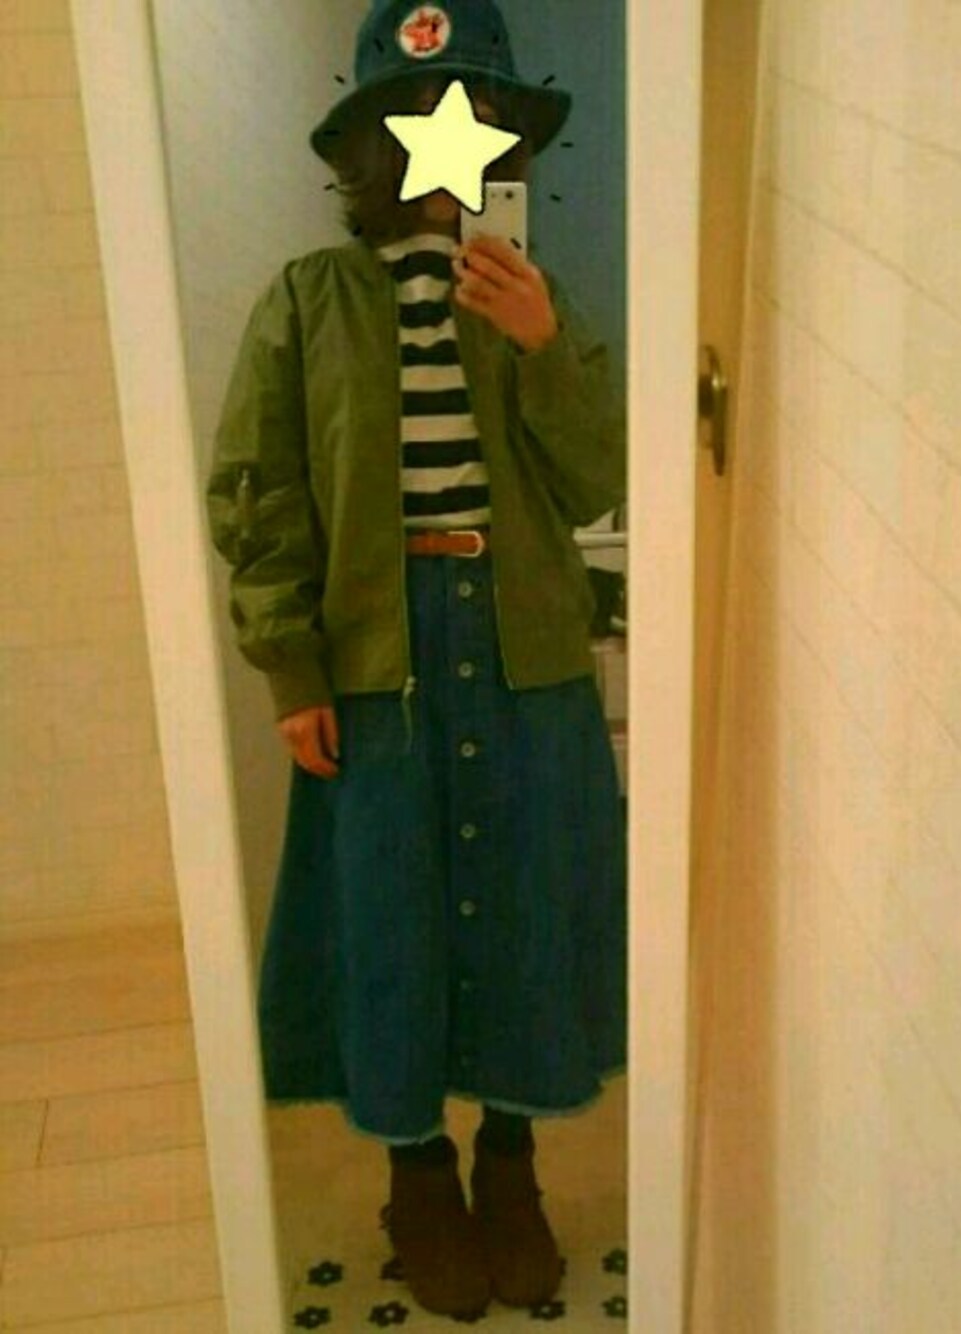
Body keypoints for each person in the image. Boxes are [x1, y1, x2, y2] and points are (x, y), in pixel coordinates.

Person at [205, 0, 626, 1320]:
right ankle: (417, 1177)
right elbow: (259, 490)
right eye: (420, 123)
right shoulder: (308, 298)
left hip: (524, 647)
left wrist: (542, 347)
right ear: (368, 151)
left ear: (503, 144)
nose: (451, 146)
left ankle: (512, 1167)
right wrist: (290, 671)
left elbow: (598, 477)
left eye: (476, 121)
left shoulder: (533, 297)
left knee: (527, 903)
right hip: (374, 654)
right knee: (387, 910)